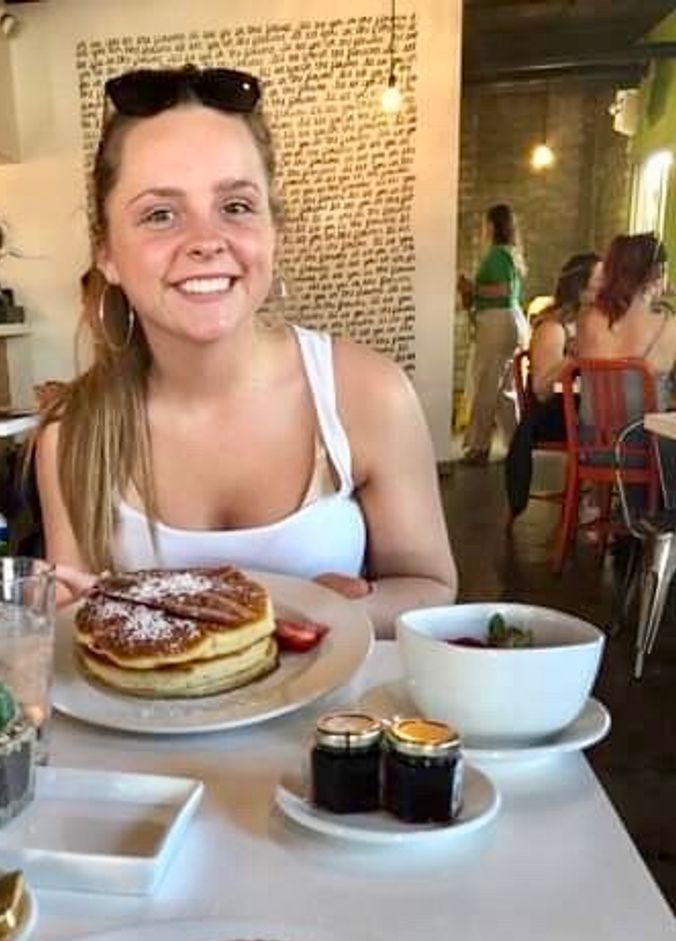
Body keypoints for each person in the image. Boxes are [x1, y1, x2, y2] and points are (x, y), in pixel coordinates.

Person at [36, 65, 455, 634]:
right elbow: (71, 624)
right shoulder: (72, 434)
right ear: (106, 252)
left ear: (273, 230)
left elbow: (430, 587)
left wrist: (335, 610)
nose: (206, 241)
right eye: (160, 214)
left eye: (235, 206)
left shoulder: (370, 392)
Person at [505, 251, 602, 519]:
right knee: (608, 425)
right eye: (600, 280)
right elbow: (541, 389)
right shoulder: (554, 328)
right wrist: (572, 358)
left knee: (610, 418)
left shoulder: (593, 323)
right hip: (548, 415)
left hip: (576, 410)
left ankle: (599, 498)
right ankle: (595, 499)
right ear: (581, 288)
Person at [458, 203, 528, 465]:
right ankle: (516, 443)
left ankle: (478, 447)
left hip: (497, 323)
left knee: (486, 385)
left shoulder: (497, 255)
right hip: (510, 322)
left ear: (492, 225)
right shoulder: (511, 253)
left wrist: (472, 288)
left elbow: (502, 290)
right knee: (505, 390)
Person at [576, 232, 676, 412]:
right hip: (646, 428)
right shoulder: (668, 325)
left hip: (590, 429)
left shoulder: (587, 318)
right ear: (658, 272)